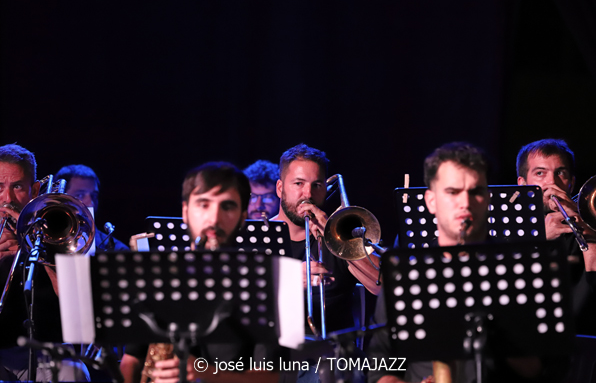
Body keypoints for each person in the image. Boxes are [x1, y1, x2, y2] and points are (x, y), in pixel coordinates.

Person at [368, 142, 557, 383]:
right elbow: (379, 367)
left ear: (487, 199)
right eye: (452, 192)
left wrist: (498, 330)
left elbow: (545, 369)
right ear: (431, 201)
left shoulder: (522, 271)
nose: (465, 203)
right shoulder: (405, 275)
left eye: (475, 191)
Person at [121, 162, 281, 383]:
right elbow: (131, 360)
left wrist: (204, 373)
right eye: (203, 205)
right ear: (185, 212)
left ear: (243, 216)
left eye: (227, 206)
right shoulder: (160, 277)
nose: (214, 219)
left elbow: (271, 377)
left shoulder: (263, 285)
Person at [0, 144, 89, 381]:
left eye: (17, 186)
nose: (7, 199)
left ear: (35, 189)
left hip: (46, 351)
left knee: (74, 374)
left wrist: (36, 250)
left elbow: (79, 310)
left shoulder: (59, 230)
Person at [271, 143, 381, 336]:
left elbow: (382, 286)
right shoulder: (260, 235)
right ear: (280, 188)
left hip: (332, 350)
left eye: (317, 185)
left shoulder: (340, 236)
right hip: (275, 347)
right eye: (298, 184)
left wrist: (333, 234)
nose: (308, 194)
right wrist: (287, 280)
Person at [516, 138, 596, 335]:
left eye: (560, 173)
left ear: (571, 183)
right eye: (540, 173)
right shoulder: (510, 232)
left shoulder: (591, 227)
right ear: (523, 183)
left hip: (585, 338)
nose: (552, 182)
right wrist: (540, 240)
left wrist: (580, 224)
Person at [55, 164, 128, 252]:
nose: (91, 203)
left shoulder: (118, 250)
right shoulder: (42, 242)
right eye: (80, 195)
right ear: (60, 197)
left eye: (94, 196)